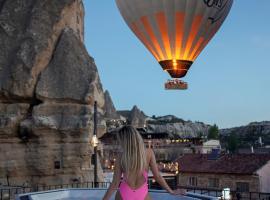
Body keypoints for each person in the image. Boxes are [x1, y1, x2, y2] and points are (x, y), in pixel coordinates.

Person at [102, 125, 186, 200]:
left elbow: (115, 183)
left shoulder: (121, 156)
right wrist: (171, 191)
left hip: (124, 193)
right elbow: (157, 177)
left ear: (124, 141)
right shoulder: (148, 153)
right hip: (142, 194)